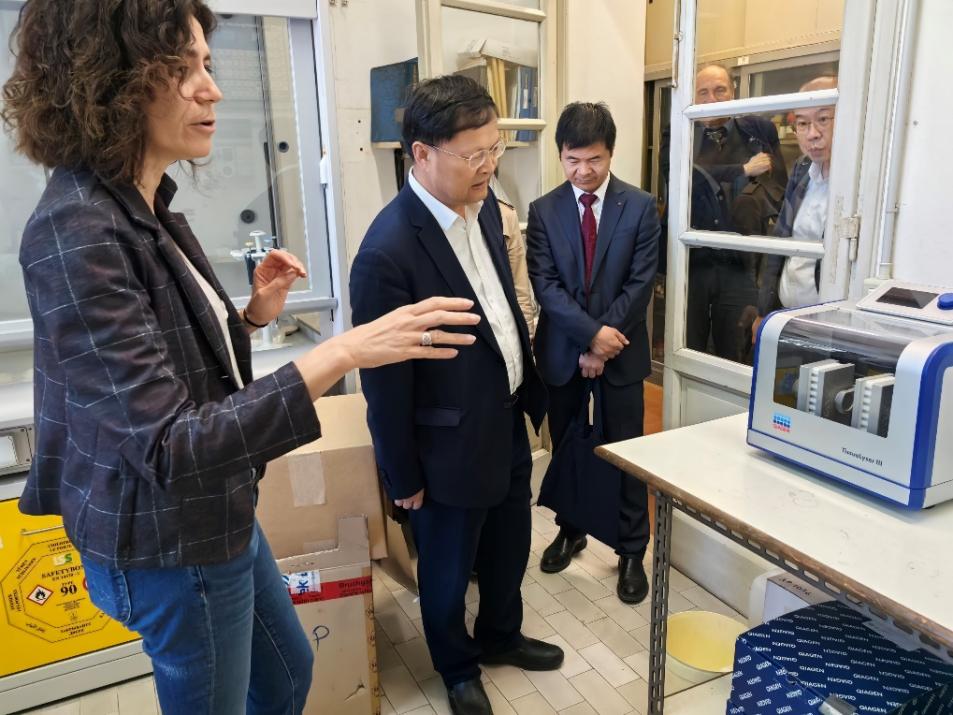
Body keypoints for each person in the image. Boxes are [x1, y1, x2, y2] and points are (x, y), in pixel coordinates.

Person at [2, 3, 478, 713]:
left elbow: (168, 364)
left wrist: (252, 316)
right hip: (170, 541)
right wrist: (342, 350)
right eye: (183, 69)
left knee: (286, 674)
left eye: (207, 64)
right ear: (111, 82)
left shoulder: (144, 204)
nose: (212, 89)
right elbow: (169, 443)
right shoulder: (77, 231)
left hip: (218, 512)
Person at [349, 74, 560, 715]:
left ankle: (500, 634)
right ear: (422, 153)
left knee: (508, 546)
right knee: (445, 571)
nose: (489, 165)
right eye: (474, 154)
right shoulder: (387, 252)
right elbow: (384, 382)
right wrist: (402, 475)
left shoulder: (485, 209)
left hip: (506, 420)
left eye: (495, 149)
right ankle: (457, 667)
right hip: (444, 447)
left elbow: (501, 309)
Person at [526, 102, 660, 604]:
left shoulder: (640, 207)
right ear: (560, 155)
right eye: (572, 160)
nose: (583, 171)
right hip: (564, 354)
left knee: (626, 454)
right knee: (567, 447)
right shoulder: (544, 211)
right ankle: (572, 529)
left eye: (594, 160)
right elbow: (546, 285)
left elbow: (640, 284)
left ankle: (631, 551)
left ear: (611, 153)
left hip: (621, 353)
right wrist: (588, 340)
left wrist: (604, 343)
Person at [660, 64, 786, 362]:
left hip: (741, 260)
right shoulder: (679, 131)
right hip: (691, 261)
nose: (711, 100)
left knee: (736, 348)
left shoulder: (759, 131)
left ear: (733, 92)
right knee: (686, 347)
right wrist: (743, 170)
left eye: (720, 90)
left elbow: (778, 185)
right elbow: (683, 179)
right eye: (702, 93)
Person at [756, 76, 838, 333]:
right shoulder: (802, 169)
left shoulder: (857, 181)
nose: (813, 134)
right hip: (786, 315)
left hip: (828, 325)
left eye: (823, 119)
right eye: (803, 123)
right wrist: (763, 311)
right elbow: (781, 239)